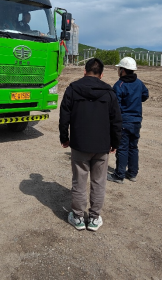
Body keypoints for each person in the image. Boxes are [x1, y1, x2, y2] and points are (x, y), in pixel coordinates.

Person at [59, 58, 122, 231]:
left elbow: (64, 116)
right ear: (101, 75)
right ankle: (94, 218)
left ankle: (78, 217)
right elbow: (116, 121)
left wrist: (64, 137)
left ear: (84, 72)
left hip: (80, 144)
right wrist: (115, 142)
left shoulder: (73, 89)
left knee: (79, 181)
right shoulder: (109, 92)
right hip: (102, 145)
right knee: (99, 182)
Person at [107, 57, 149, 184]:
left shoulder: (119, 85)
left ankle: (119, 175)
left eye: (119, 68)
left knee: (122, 148)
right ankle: (132, 173)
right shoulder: (139, 83)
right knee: (133, 147)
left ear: (123, 70)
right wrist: (135, 101)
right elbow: (145, 95)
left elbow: (115, 105)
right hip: (136, 121)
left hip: (124, 121)